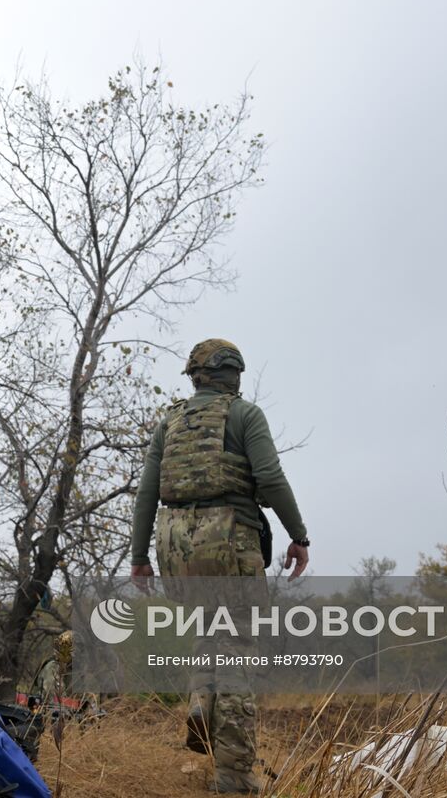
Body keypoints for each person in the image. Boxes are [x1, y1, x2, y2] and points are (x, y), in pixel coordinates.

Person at [129, 339, 310, 795]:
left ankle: (199, 699)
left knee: (210, 631)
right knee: (238, 653)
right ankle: (233, 775)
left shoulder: (170, 421)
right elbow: (269, 477)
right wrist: (299, 535)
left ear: (196, 376)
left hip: (177, 548)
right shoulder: (244, 415)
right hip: (230, 541)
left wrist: (139, 559)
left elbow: (147, 493)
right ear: (232, 374)